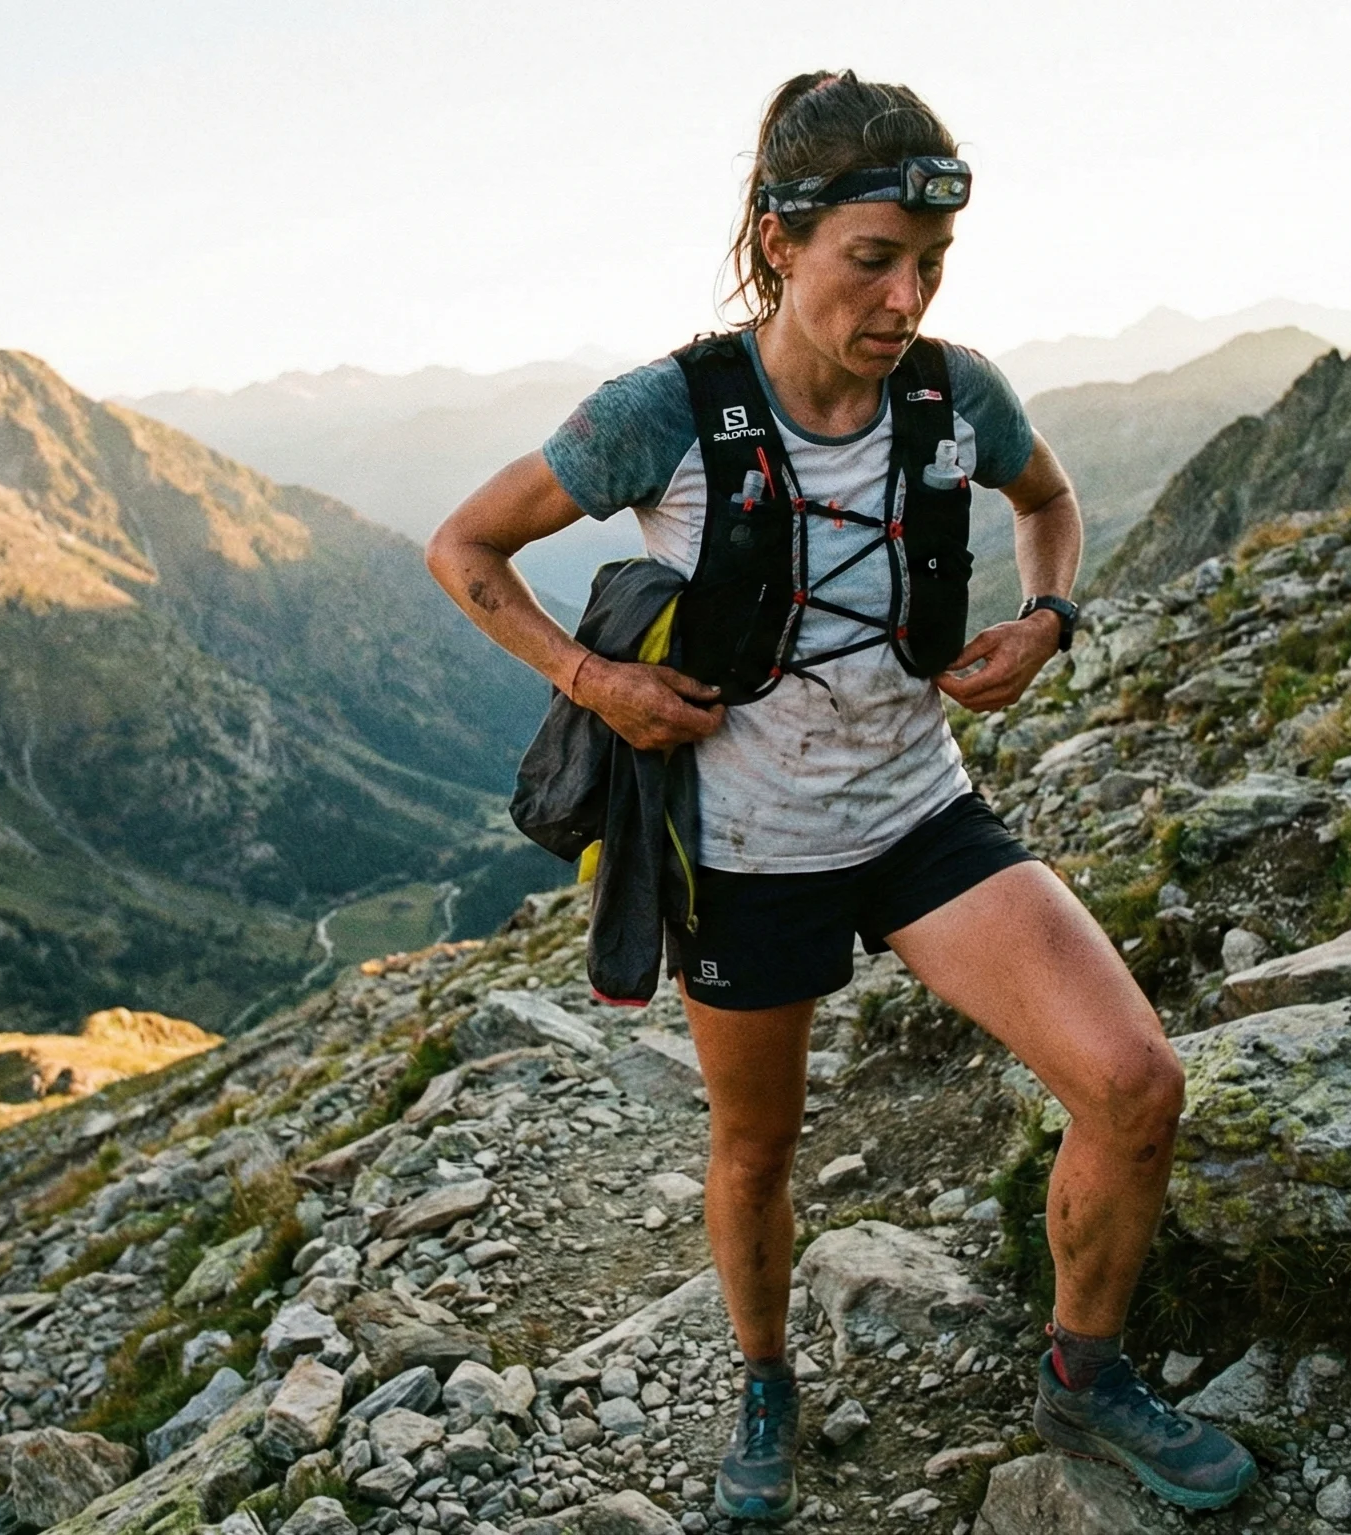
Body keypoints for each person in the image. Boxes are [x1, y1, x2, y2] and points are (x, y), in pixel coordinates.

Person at [426, 70, 1256, 1522]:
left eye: (928, 267)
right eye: (871, 261)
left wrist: (1048, 619)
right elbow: (465, 547)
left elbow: (1048, 500)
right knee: (757, 1145)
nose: (902, 300)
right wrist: (592, 680)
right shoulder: (661, 414)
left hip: (921, 815)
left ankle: (1084, 1370)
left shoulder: (955, 393)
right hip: (746, 851)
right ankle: (764, 1382)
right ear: (775, 241)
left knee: (1134, 1082)